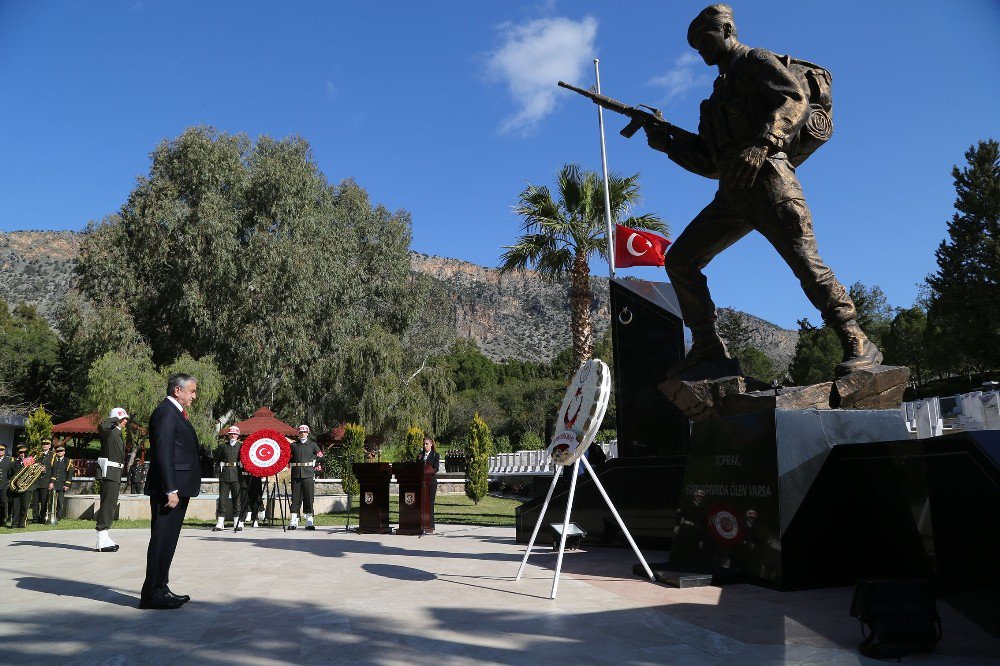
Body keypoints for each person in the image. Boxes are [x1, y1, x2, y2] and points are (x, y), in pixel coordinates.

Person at [644, 3, 881, 379]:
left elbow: (795, 99)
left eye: (705, 41)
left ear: (726, 29)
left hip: (772, 182)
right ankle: (709, 347)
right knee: (681, 261)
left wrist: (765, 142)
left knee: (806, 265)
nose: (701, 51)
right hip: (732, 196)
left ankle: (857, 340)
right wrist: (668, 145)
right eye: (696, 47)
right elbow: (710, 163)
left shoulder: (755, 61)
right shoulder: (714, 99)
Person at [140, 373, 202, 610]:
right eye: (192, 391)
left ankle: (160, 586)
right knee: (161, 539)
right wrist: (171, 489)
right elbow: (164, 452)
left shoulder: (174, 413)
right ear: (178, 390)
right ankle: (152, 593)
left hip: (177, 488)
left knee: (168, 541)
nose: (194, 396)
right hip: (169, 491)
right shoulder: (166, 412)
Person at [96, 408, 129, 552]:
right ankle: (101, 539)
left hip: (115, 472)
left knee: (110, 504)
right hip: (109, 472)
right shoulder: (108, 430)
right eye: (123, 418)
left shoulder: (116, 432)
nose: (126, 421)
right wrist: (114, 419)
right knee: (108, 504)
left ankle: (105, 536)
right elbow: (101, 426)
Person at [288, 424, 322, 530]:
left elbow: (321, 456)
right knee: (295, 497)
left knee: (308, 496)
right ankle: (294, 519)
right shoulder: (293, 445)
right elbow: (288, 457)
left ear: (308, 433)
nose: (302, 434)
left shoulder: (313, 445)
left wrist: (316, 464)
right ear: (298, 433)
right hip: (296, 474)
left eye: (304, 432)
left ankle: (309, 520)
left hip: (308, 474)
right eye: (301, 432)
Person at [213, 426, 243, 532]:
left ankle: (237, 522)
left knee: (237, 499)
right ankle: (220, 523)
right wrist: (217, 473)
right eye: (231, 434)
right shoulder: (222, 446)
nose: (232, 435)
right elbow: (217, 460)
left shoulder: (241, 446)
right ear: (228, 435)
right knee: (222, 500)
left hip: (236, 475)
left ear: (238, 435)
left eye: (235, 434)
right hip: (225, 475)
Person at [418, 437, 440, 532]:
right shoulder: (420, 455)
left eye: (426, 444)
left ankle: (430, 526)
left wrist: (428, 471)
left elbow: (436, 468)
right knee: (422, 503)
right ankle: (421, 524)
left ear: (431, 444)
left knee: (430, 503)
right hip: (422, 482)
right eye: (424, 444)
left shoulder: (435, 455)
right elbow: (417, 466)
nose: (424, 445)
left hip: (431, 482)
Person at [9, 444, 33, 529]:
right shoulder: (14, 462)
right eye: (21, 452)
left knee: (24, 506)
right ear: (18, 453)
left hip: (27, 487)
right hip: (16, 487)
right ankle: (14, 523)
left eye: (25, 452)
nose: (23, 454)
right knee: (16, 506)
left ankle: (22, 523)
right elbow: (11, 473)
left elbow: (33, 474)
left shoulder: (31, 461)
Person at [32, 439, 55, 523]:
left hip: (46, 481)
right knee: (35, 502)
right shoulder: (37, 455)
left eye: (46, 444)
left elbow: (54, 470)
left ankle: (42, 518)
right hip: (35, 481)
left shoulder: (53, 456)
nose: (44, 445)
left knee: (44, 501)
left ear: (50, 446)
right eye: (43, 444)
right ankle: (35, 518)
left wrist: (52, 481)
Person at [48, 444, 73, 522]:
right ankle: (50, 515)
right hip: (53, 483)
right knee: (51, 501)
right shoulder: (53, 459)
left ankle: (58, 516)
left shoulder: (68, 460)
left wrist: (67, 484)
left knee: (59, 501)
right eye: (58, 451)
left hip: (62, 484)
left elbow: (70, 473)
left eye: (61, 451)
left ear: (64, 452)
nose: (59, 452)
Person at [0, 443, 11, 526]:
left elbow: (11, 473)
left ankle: (3, 519)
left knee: (3, 502)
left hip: (4, 485)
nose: (0, 451)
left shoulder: (9, 460)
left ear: (5, 451)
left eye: (2, 450)